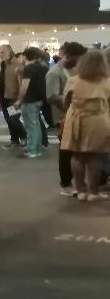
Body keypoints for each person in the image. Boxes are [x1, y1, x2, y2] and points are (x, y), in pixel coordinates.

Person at [61, 50, 110, 201]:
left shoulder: (73, 80)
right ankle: (93, 192)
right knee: (95, 157)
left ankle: (80, 190)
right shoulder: (106, 81)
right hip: (98, 120)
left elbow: (66, 101)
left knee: (77, 155)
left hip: (75, 120)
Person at [47, 42, 86, 195]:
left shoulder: (74, 70)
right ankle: (65, 183)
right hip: (62, 117)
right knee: (66, 151)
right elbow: (51, 96)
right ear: (69, 56)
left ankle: (79, 182)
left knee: (76, 151)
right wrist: (76, 98)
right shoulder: (54, 73)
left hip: (76, 115)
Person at [17, 47, 49, 159]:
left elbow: (24, 86)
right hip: (39, 99)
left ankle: (32, 150)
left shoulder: (29, 68)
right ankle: (38, 149)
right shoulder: (42, 67)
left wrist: (19, 100)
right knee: (36, 125)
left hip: (29, 100)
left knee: (30, 126)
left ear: (25, 56)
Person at [0, 46, 26, 147]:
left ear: (10, 52)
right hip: (3, 95)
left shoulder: (17, 64)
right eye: (0, 52)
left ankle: (24, 136)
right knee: (8, 119)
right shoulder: (1, 64)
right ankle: (14, 139)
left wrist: (20, 98)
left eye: (3, 52)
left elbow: (23, 82)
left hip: (13, 97)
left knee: (12, 118)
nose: (0, 54)